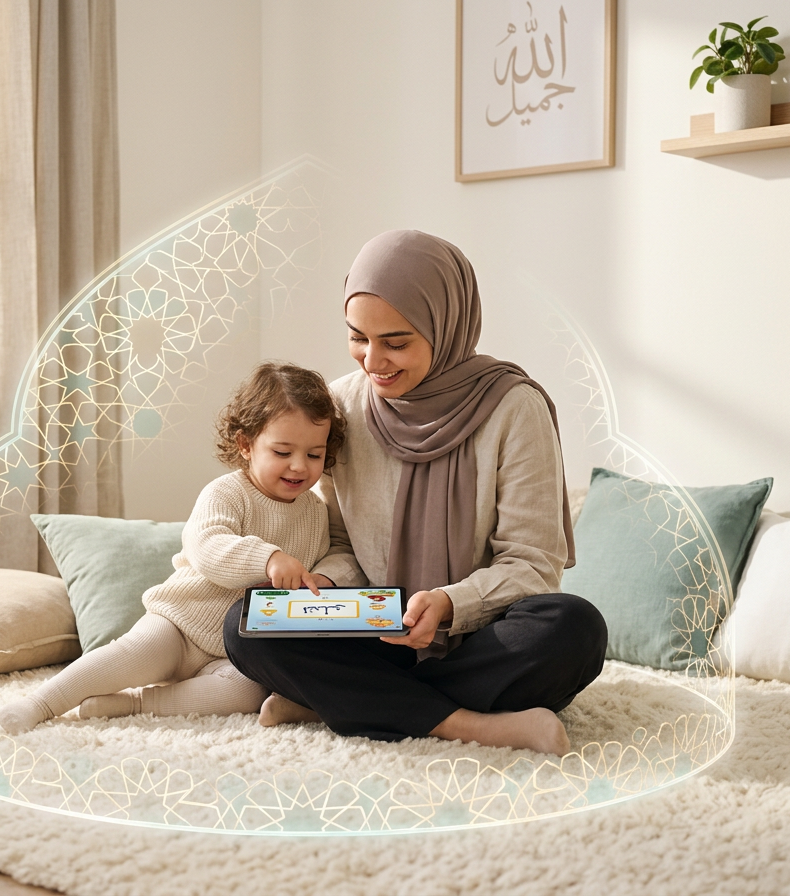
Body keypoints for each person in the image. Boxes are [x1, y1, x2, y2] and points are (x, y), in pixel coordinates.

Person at [223, 230, 607, 756]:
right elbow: (338, 539)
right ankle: (469, 723)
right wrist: (325, 587)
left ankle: (338, 701)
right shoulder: (340, 406)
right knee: (247, 623)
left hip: (476, 637)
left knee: (574, 628)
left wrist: (451, 604)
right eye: (358, 337)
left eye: (396, 342)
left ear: (446, 326)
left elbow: (533, 564)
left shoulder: (514, 409)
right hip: (374, 630)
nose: (372, 360)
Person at [0, 361, 345, 735]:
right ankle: (40, 703)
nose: (298, 466)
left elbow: (338, 552)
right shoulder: (227, 493)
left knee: (247, 692)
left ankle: (135, 704)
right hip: (179, 625)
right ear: (246, 445)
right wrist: (268, 558)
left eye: (313, 455)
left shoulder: (315, 511)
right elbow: (207, 545)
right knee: (125, 657)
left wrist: (329, 577)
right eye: (282, 452)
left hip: (237, 651)